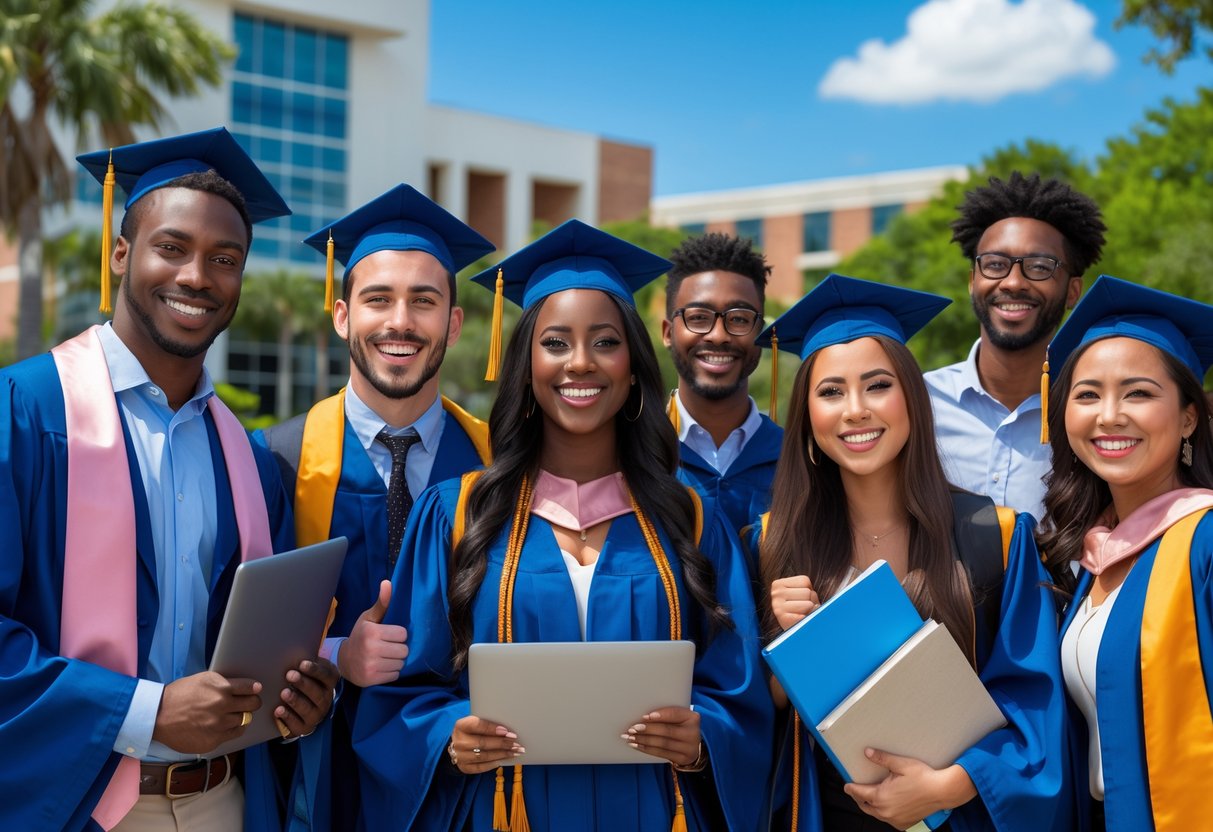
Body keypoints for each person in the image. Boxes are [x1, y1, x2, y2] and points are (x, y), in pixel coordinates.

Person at [353, 219, 772, 831]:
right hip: (504, 813)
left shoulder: (691, 515)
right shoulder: (458, 514)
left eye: (605, 342)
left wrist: (703, 736)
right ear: (525, 366)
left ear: (634, 365)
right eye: (554, 343)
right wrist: (450, 734)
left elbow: (741, 689)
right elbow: (400, 695)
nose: (580, 363)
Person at [0, 127, 338, 831]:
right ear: (121, 253)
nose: (197, 277)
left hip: (226, 802)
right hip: (75, 804)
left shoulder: (248, 458)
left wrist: (299, 695)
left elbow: (258, 641)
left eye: (225, 259)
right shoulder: (26, 412)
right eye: (172, 248)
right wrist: (145, 711)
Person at [754, 274, 1070, 832]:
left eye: (877, 385)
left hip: (959, 816)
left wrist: (951, 785)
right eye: (830, 392)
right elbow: (744, 723)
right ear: (806, 417)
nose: (855, 410)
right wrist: (786, 654)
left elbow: (1033, 700)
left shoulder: (991, 535)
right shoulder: (770, 544)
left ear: (912, 398)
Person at [257, 183, 493, 829]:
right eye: (377, 299)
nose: (400, 322)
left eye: (424, 301)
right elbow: (236, 632)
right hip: (319, 771)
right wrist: (336, 655)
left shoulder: (500, 465)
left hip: (467, 774)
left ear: (453, 321)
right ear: (341, 315)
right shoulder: (273, 460)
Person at [1036, 275, 1213, 831]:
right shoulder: (1093, 556)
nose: (1109, 415)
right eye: (1087, 395)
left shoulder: (1204, 540)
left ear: (1188, 416)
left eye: (1138, 392)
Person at [926, 172, 1106, 520]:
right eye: (995, 264)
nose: (1012, 282)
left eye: (1039, 267)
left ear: (1073, 291)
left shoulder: (1096, 416)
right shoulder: (917, 404)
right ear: (972, 281)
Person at [662, 232, 782, 545]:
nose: (718, 335)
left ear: (762, 332)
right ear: (667, 332)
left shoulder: (800, 461)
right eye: (698, 317)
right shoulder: (635, 453)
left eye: (739, 319)